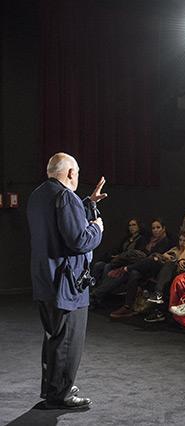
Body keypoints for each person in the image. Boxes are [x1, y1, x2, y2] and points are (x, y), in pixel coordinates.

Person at [27, 152, 106, 409]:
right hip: (66, 284)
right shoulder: (65, 197)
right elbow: (79, 240)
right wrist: (97, 227)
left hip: (44, 279)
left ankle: (53, 388)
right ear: (71, 173)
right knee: (68, 340)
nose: (77, 178)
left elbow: (60, 224)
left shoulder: (38, 195)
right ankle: (61, 395)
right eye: (77, 173)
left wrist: (88, 203)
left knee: (54, 336)